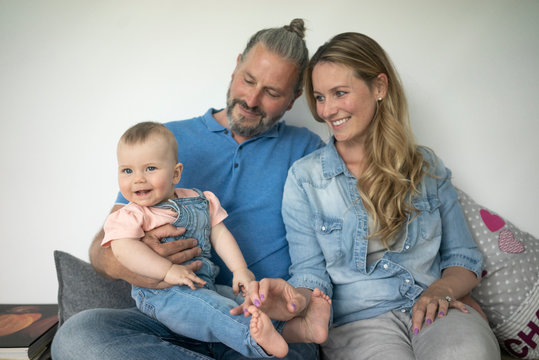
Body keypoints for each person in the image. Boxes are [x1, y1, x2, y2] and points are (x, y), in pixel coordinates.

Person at [51, 19, 325, 360]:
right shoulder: (163, 141)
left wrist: (296, 298)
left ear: (293, 98)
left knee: (280, 346)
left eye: (271, 92)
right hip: (172, 315)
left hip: (254, 315)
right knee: (78, 336)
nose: (252, 99)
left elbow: (320, 257)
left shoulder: (308, 152)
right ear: (236, 65)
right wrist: (149, 265)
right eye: (248, 80)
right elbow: (102, 250)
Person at [276, 32, 501, 359]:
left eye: (340, 93)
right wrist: (292, 301)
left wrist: (442, 290)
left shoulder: (425, 167)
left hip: (435, 308)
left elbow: (463, 259)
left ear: (379, 87)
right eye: (320, 97)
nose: (327, 110)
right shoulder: (304, 178)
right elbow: (310, 274)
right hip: (358, 323)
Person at [102, 121, 331, 358]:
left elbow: (220, 234)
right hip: (165, 295)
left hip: (204, 284)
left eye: (150, 168)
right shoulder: (130, 215)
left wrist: (240, 269)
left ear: (176, 173)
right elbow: (124, 249)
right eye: (127, 171)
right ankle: (254, 340)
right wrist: (168, 270)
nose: (137, 179)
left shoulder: (200, 200)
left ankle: (299, 328)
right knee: (215, 310)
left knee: (243, 300)